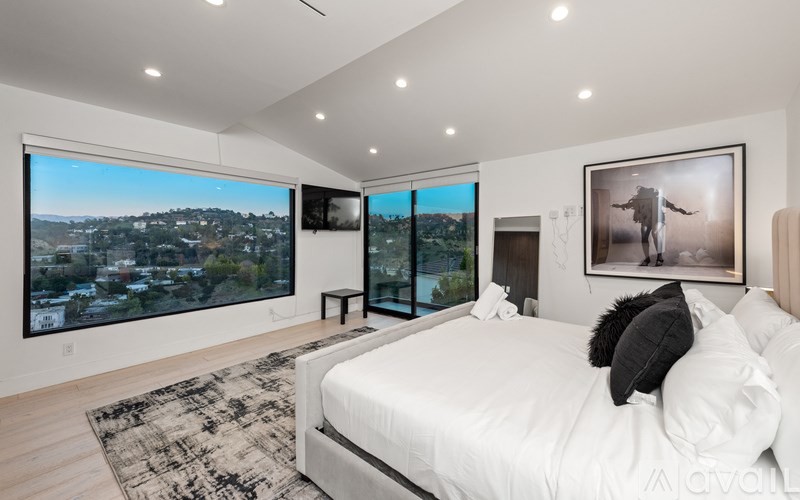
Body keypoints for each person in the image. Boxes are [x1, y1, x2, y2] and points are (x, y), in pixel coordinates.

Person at [611, 186, 698, 266]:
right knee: (644, 237)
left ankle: (659, 257)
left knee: (655, 233)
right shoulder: (639, 201)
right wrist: (616, 205)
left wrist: (685, 212)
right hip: (646, 220)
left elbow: (672, 206)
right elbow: (626, 205)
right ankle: (647, 259)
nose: (647, 198)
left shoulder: (658, 199)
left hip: (658, 219)